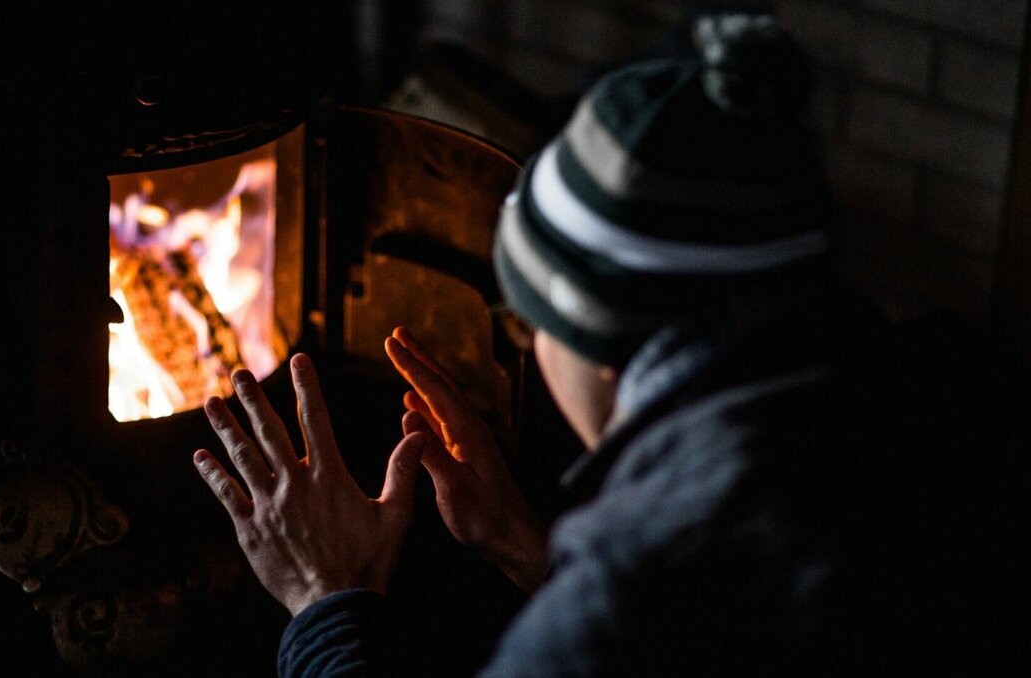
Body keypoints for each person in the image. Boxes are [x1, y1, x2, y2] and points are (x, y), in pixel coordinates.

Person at [193, 11, 1027, 676]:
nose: (523, 344)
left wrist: (326, 600)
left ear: (598, 343)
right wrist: (524, 544)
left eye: (525, 322)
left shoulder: (623, 594)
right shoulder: (928, 408)